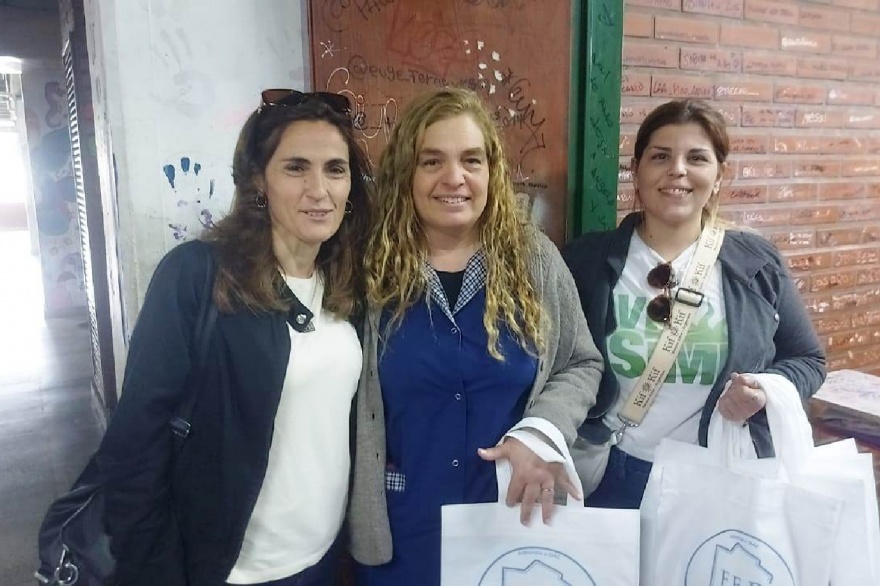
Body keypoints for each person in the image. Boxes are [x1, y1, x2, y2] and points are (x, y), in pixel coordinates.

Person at [95, 89, 374, 585]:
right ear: (257, 180)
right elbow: (133, 444)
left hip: (325, 559)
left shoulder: (347, 284)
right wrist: (155, 570)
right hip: (234, 571)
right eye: (296, 168)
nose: (319, 189)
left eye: (335, 169)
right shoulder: (198, 275)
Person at [347, 87, 604, 585]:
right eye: (431, 161)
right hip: (404, 533)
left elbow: (580, 362)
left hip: (514, 523)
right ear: (406, 173)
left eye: (471, 160)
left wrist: (542, 430)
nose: (454, 178)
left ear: (492, 171)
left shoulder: (534, 259)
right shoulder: (369, 269)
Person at [562, 98, 826, 510]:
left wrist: (763, 391)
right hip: (612, 474)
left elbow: (808, 360)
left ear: (720, 176)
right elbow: (554, 365)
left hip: (718, 476)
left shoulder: (755, 264)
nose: (677, 170)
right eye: (660, 156)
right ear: (636, 170)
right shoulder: (585, 261)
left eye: (697, 158)